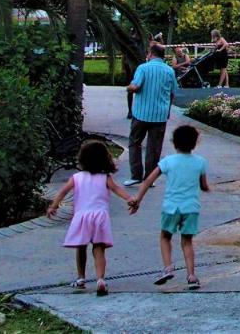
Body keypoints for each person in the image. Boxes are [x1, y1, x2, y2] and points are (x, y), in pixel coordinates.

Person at [47, 140, 135, 296]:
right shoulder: (105, 177)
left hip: (82, 216)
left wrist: (53, 206)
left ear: (82, 159)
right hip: (100, 216)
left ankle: (81, 278)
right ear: (105, 159)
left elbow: (62, 192)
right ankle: (100, 279)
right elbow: (117, 189)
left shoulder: (76, 177)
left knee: (81, 247)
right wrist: (129, 199)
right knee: (99, 248)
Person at [129, 124, 210, 290]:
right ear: (195, 143)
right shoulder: (201, 162)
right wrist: (207, 188)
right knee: (187, 242)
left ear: (174, 143)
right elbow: (203, 185)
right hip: (191, 208)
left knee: (165, 237)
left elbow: (148, 181)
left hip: (171, 207)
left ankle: (168, 268)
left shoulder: (167, 162)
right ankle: (191, 276)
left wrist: (137, 199)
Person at [124, 42, 176, 186]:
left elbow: (136, 86)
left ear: (151, 54)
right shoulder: (169, 71)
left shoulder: (143, 68)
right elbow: (172, 94)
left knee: (134, 143)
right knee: (154, 147)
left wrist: (128, 88)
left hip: (141, 113)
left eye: (148, 53)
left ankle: (136, 175)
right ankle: (149, 178)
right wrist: (167, 111)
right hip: (160, 115)